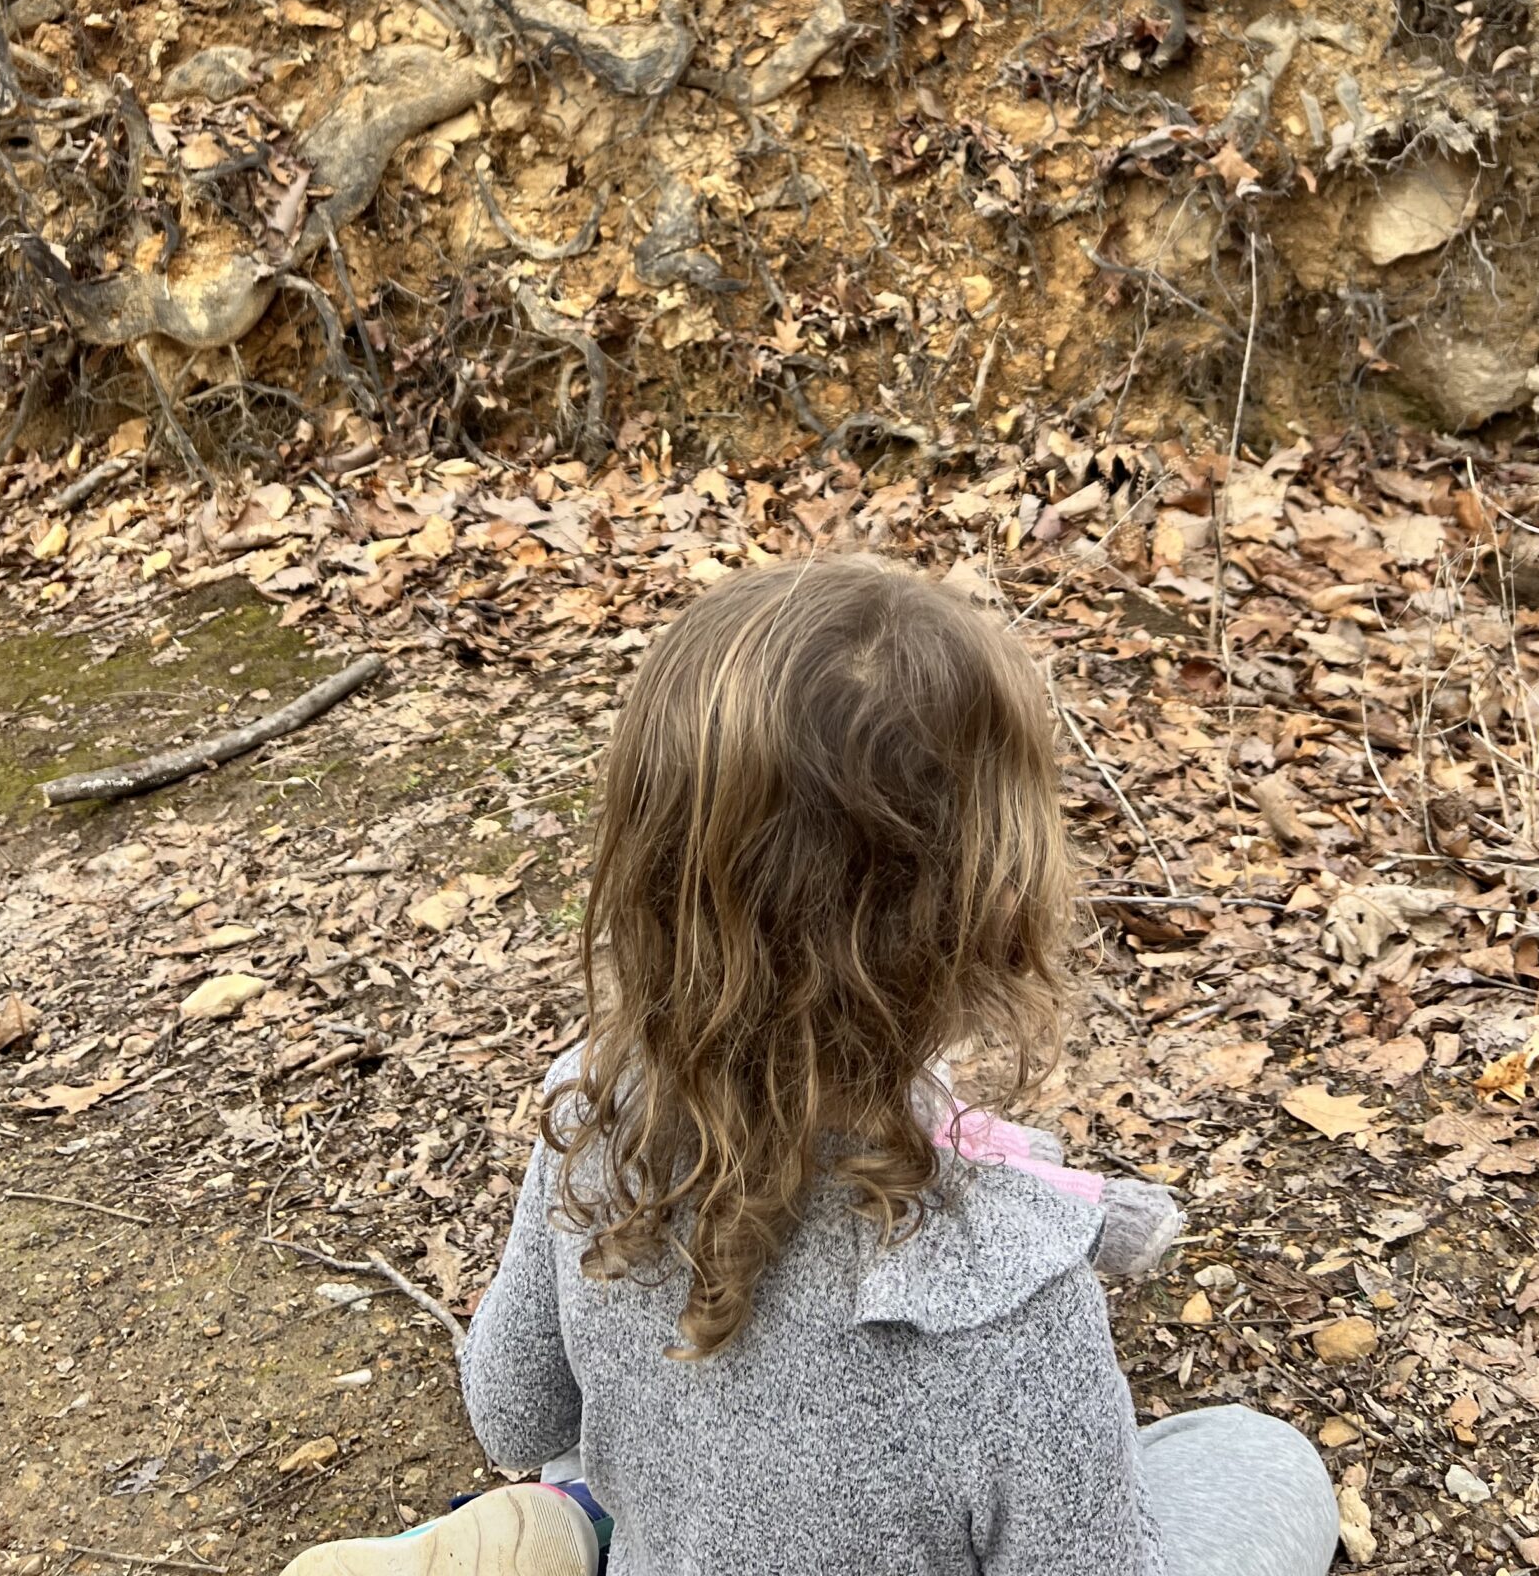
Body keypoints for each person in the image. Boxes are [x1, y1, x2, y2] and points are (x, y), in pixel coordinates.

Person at [283, 556, 1341, 1576]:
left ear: (649, 878)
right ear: (991, 916)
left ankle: (567, 1526)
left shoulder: (593, 1109)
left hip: (676, 1529)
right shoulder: (1018, 1290)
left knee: (602, 1452)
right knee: (1257, 1459)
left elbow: (513, 1411)